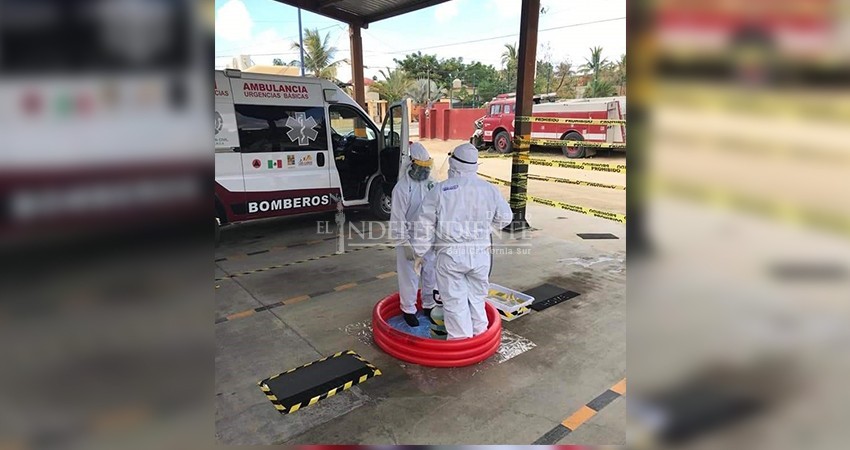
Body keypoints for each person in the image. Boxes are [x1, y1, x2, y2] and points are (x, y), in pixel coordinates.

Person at [411, 143, 513, 339]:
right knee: (477, 299)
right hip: (480, 255)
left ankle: (461, 346)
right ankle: (481, 342)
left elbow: (424, 226)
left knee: (455, 304)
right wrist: (483, 230)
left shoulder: (440, 190)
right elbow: (505, 218)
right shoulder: (489, 189)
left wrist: (419, 253)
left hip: (451, 257)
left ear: (453, 164)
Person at [390, 142, 438, 327]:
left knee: (430, 273)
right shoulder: (402, 188)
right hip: (410, 238)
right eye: (421, 167)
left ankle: (429, 305)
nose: (424, 171)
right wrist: (404, 243)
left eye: (427, 167)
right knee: (410, 276)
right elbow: (397, 219)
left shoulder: (432, 184)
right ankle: (408, 309)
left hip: (429, 237)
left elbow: (439, 210)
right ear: (411, 164)